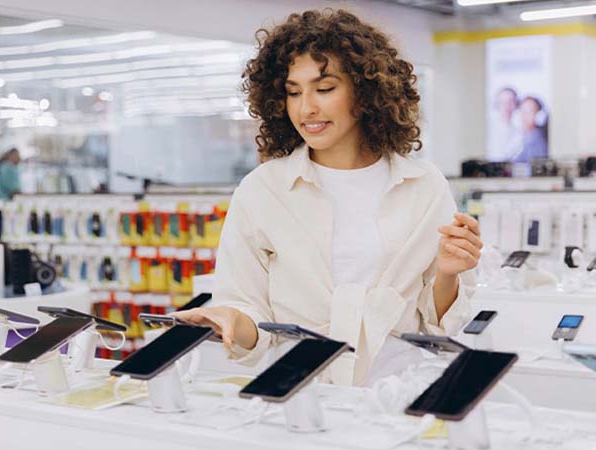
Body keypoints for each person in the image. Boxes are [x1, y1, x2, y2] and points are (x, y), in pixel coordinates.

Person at [173, 9, 481, 386]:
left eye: (324, 88)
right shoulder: (263, 190)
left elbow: (439, 320)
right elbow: (248, 312)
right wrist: (229, 321)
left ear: (366, 92)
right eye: (293, 92)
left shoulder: (423, 184)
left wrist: (449, 273)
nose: (306, 108)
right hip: (301, 389)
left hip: (397, 388)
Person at [487, 87, 521, 162]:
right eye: (503, 102)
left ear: (516, 105)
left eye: (511, 102)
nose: (507, 106)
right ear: (497, 104)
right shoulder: (488, 130)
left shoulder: (519, 133)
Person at [512, 96, 548, 163]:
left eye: (529, 111)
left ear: (539, 116)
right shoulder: (516, 135)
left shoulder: (538, 142)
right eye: (522, 110)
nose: (524, 115)